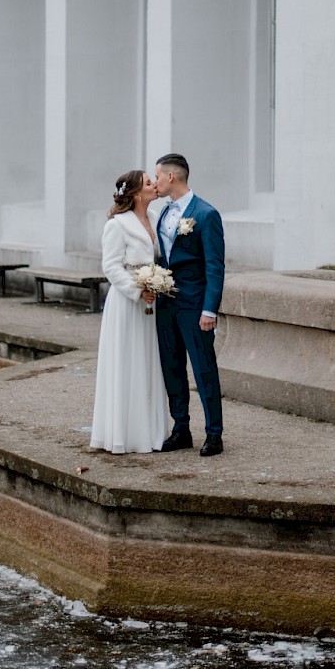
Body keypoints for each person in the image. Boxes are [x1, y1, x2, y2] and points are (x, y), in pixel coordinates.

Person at [89, 169, 169, 455]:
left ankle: (152, 432)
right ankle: (126, 434)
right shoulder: (117, 225)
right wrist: (137, 290)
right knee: (126, 362)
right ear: (136, 193)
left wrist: (157, 286)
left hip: (153, 302)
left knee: (148, 362)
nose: (154, 185)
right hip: (126, 303)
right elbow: (110, 266)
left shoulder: (158, 218)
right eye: (149, 182)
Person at [152, 153, 225, 456]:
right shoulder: (163, 213)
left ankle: (214, 434)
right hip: (166, 302)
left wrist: (210, 309)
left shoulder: (206, 214)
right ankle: (180, 427)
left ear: (171, 177)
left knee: (203, 368)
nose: (154, 182)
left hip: (195, 304)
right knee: (172, 367)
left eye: (157, 176)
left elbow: (215, 266)